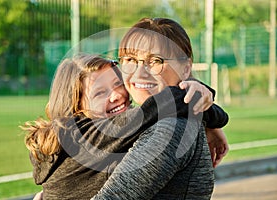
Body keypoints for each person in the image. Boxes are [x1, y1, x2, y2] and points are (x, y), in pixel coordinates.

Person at [22, 54, 227, 199]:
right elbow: (157, 107)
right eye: (100, 93)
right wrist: (205, 105)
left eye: (118, 83)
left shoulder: (76, 137)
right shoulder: (79, 133)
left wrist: (208, 121)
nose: (117, 95)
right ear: (75, 105)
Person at [89, 17, 229, 199]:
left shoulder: (169, 130)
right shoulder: (156, 120)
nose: (139, 73)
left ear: (186, 69)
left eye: (155, 60)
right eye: (130, 59)